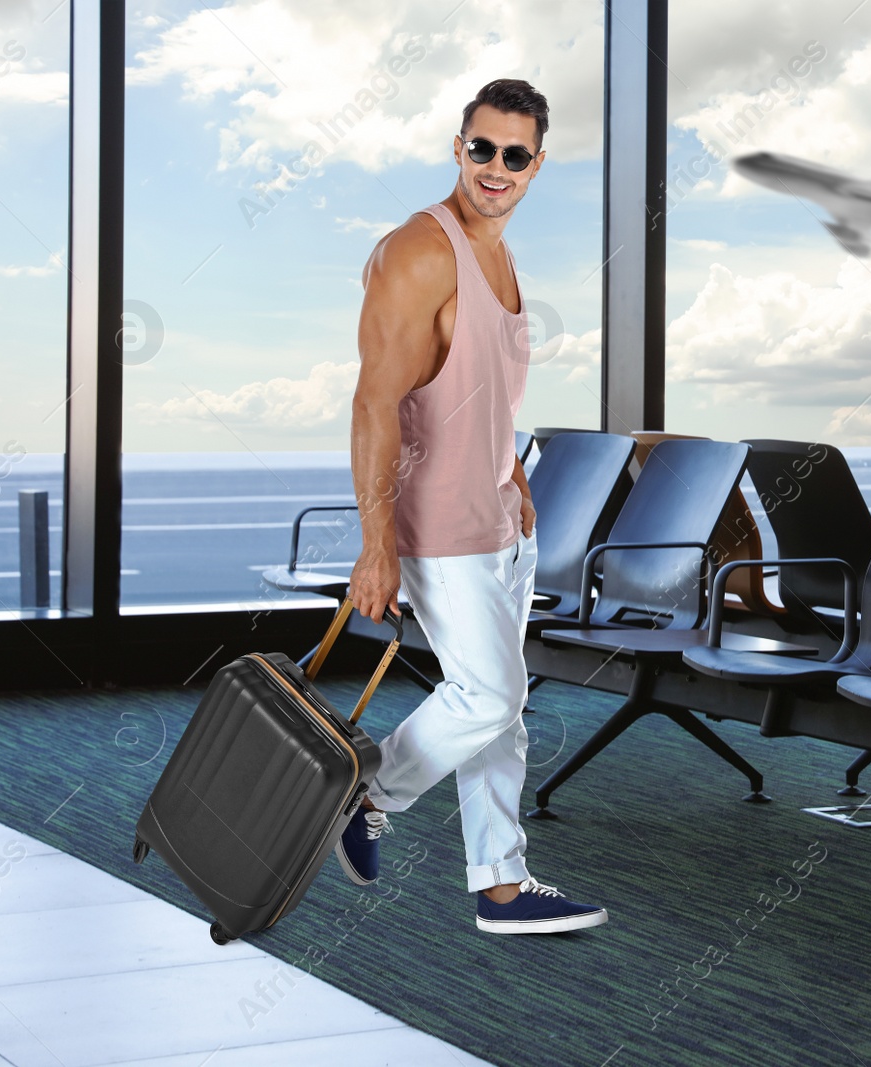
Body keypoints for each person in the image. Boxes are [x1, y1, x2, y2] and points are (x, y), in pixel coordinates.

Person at [339, 79, 606, 934]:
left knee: (502, 711)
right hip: (440, 525)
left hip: (498, 517)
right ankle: (366, 792)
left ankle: (500, 883)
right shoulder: (418, 250)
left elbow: (474, 388)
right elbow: (376, 403)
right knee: (487, 694)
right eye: (481, 148)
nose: (496, 166)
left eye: (514, 154)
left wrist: (513, 472)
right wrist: (377, 544)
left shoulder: (500, 253)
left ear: (534, 166)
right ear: (459, 147)